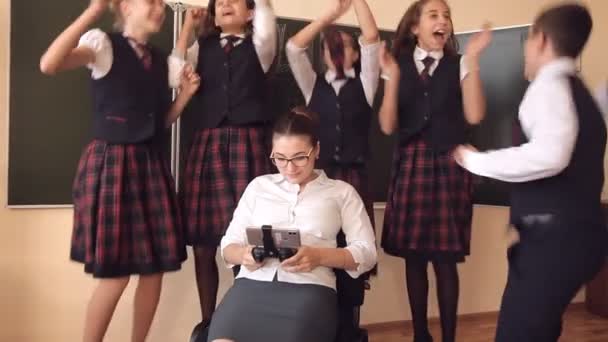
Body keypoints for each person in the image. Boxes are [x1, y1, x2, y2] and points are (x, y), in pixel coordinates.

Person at [39, 0, 200, 341]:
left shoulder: (158, 61)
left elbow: (161, 123)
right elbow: (49, 65)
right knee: (116, 275)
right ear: (126, 7)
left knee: (155, 271)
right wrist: (93, 11)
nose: (159, 8)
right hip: (113, 164)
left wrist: (184, 96)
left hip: (150, 165)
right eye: (151, 1)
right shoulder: (102, 45)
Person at [454, 3, 608, 341]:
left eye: (528, 41)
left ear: (540, 39)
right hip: (578, 238)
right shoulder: (580, 93)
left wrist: (474, 161)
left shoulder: (549, 86)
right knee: (539, 329)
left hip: (555, 242)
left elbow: (552, 155)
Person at [207, 108, 377, 342]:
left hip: (309, 289)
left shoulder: (341, 192)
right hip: (252, 286)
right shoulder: (258, 187)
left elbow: (367, 253)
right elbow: (229, 245)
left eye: (299, 157)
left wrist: (318, 256)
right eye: (280, 158)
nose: (289, 167)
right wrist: (244, 254)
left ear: (316, 150)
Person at [376, 0, 491, 340]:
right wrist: (393, 78)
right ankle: (420, 333)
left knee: (445, 260)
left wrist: (472, 62)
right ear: (414, 27)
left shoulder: (459, 64)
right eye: (434, 15)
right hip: (411, 166)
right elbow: (386, 125)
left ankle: (449, 337)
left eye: (447, 16)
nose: (443, 22)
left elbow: (474, 116)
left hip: (448, 167)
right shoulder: (396, 65)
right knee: (414, 258)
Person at [170, 0, 277, 328]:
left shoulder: (261, 46)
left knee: (247, 241)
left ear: (250, 14)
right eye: (220, 2)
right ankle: (208, 322)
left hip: (248, 147)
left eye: (235, 1)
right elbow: (175, 75)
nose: (225, 4)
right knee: (203, 244)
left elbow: (268, 21)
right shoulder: (202, 48)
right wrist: (188, 26)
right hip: (208, 147)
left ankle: (240, 323)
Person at [285, 0, 380, 339]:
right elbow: (294, 47)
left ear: (355, 55)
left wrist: (357, 3)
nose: (337, 51)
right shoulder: (313, 85)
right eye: (330, 48)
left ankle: (349, 330)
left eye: (344, 46)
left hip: (353, 179)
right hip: (320, 182)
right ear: (323, 55)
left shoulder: (366, 83)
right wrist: (330, 19)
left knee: (354, 257)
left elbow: (371, 38)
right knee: (319, 250)